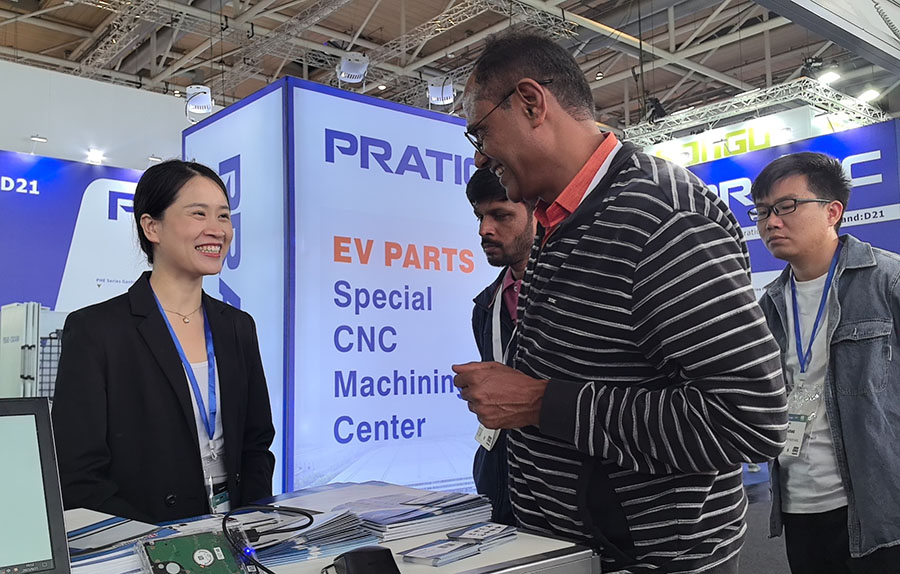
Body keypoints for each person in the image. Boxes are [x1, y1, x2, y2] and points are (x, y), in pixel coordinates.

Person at [452, 31, 788, 573]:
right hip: (577, 551)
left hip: (653, 560)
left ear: (532, 103)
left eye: (481, 131)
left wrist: (541, 402)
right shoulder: (559, 218)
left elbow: (747, 419)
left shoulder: (662, 217)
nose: (480, 156)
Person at [52, 160, 276, 524]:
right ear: (151, 226)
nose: (217, 230)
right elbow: (78, 474)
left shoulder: (237, 326)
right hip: (146, 537)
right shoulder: (96, 330)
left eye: (223, 216)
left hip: (236, 529)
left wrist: (253, 520)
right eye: (198, 214)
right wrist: (157, 540)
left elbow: (257, 442)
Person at [751, 152, 900, 573]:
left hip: (881, 508)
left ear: (832, 211)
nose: (771, 222)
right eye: (762, 211)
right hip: (799, 507)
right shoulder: (768, 306)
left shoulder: (887, 280)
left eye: (786, 206)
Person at [466, 168, 535, 526]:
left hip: (562, 491)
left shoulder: (573, 297)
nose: (484, 230)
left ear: (539, 216)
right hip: (498, 482)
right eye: (480, 216)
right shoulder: (485, 306)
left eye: (501, 215)